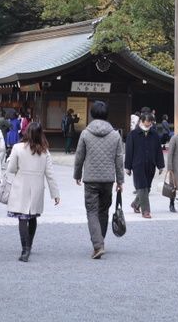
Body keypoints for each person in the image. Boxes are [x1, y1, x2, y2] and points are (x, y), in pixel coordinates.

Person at [73, 100, 124, 259]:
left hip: (91, 179)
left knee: (92, 211)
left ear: (92, 114)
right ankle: (100, 241)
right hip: (108, 180)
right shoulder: (115, 135)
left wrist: (77, 174)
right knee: (103, 210)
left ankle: (98, 245)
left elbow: (79, 156)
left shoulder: (86, 133)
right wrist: (120, 180)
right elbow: (119, 159)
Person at [6, 122, 60, 262]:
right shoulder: (44, 151)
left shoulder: (18, 148)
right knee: (33, 217)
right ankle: (29, 245)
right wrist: (55, 194)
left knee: (22, 218)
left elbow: (11, 169)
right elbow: (50, 174)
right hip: (37, 187)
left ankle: (25, 249)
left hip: (21, 185)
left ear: (27, 132)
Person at [125, 112, 164, 218]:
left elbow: (158, 151)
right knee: (142, 187)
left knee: (148, 187)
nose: (148, 125)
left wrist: (160, 165)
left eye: (150, 123)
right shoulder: (133, 135)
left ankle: (135, 204)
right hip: (137, 165)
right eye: (147, 123)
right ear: (141, 121)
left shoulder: (154, 134)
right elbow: (129, 151)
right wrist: (127, 167)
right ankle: (146, 211)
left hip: (151, 164)